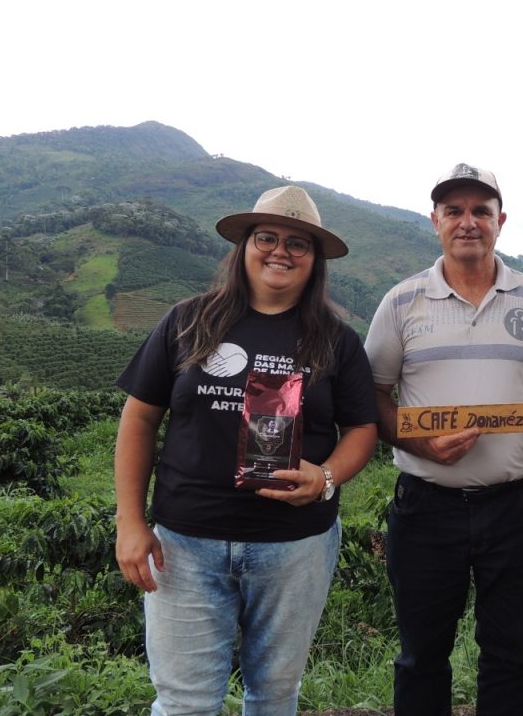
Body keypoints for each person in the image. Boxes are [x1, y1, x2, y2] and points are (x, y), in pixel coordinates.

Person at [114, 185, 378, 716]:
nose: (280, 251)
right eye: (267, 237)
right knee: (184, 702)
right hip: (185, 545)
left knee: (275, 696)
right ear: (245, 246)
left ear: (315, 259)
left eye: (298, 243)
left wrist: (325, 478)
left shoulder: (336, 340)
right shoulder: (189, 320)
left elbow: (362, 431)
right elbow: (139, 419)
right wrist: (129, 520)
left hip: (294, 547)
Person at [364, 163, 523, 716]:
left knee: (509, 655)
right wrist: (419, 444)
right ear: (434, 220)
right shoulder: (401, 303)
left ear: (500, 222)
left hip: (517, 507)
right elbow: (371, 396)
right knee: (421, 656)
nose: (467, 222)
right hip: (425, 508)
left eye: (480, 211)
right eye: (454, 211)